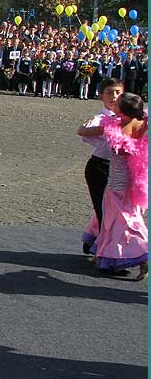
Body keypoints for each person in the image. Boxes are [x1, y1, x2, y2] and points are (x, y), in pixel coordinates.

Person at [82, 93, 147, 278]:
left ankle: (142, 254)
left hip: (116, 184)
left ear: (124, 112)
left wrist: (88, 127)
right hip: (134, 181)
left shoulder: (115, 126)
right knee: (129, 217)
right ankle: (127, 257)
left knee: (119, 220)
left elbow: (83, 131)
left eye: (117, 104)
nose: (114, 104)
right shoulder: (142, 124)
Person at [76, 78, 123, 253]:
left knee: (113, 210)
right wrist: (107, 128)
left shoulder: (127, 117)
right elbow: (81, 130)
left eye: (118, 92)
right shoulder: (101, 118)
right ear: (101, 96)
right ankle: (106, 252)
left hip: (120, 170)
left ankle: (92, 242)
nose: (114, 96)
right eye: (110, 93)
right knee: (106, 211)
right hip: (100, 168)